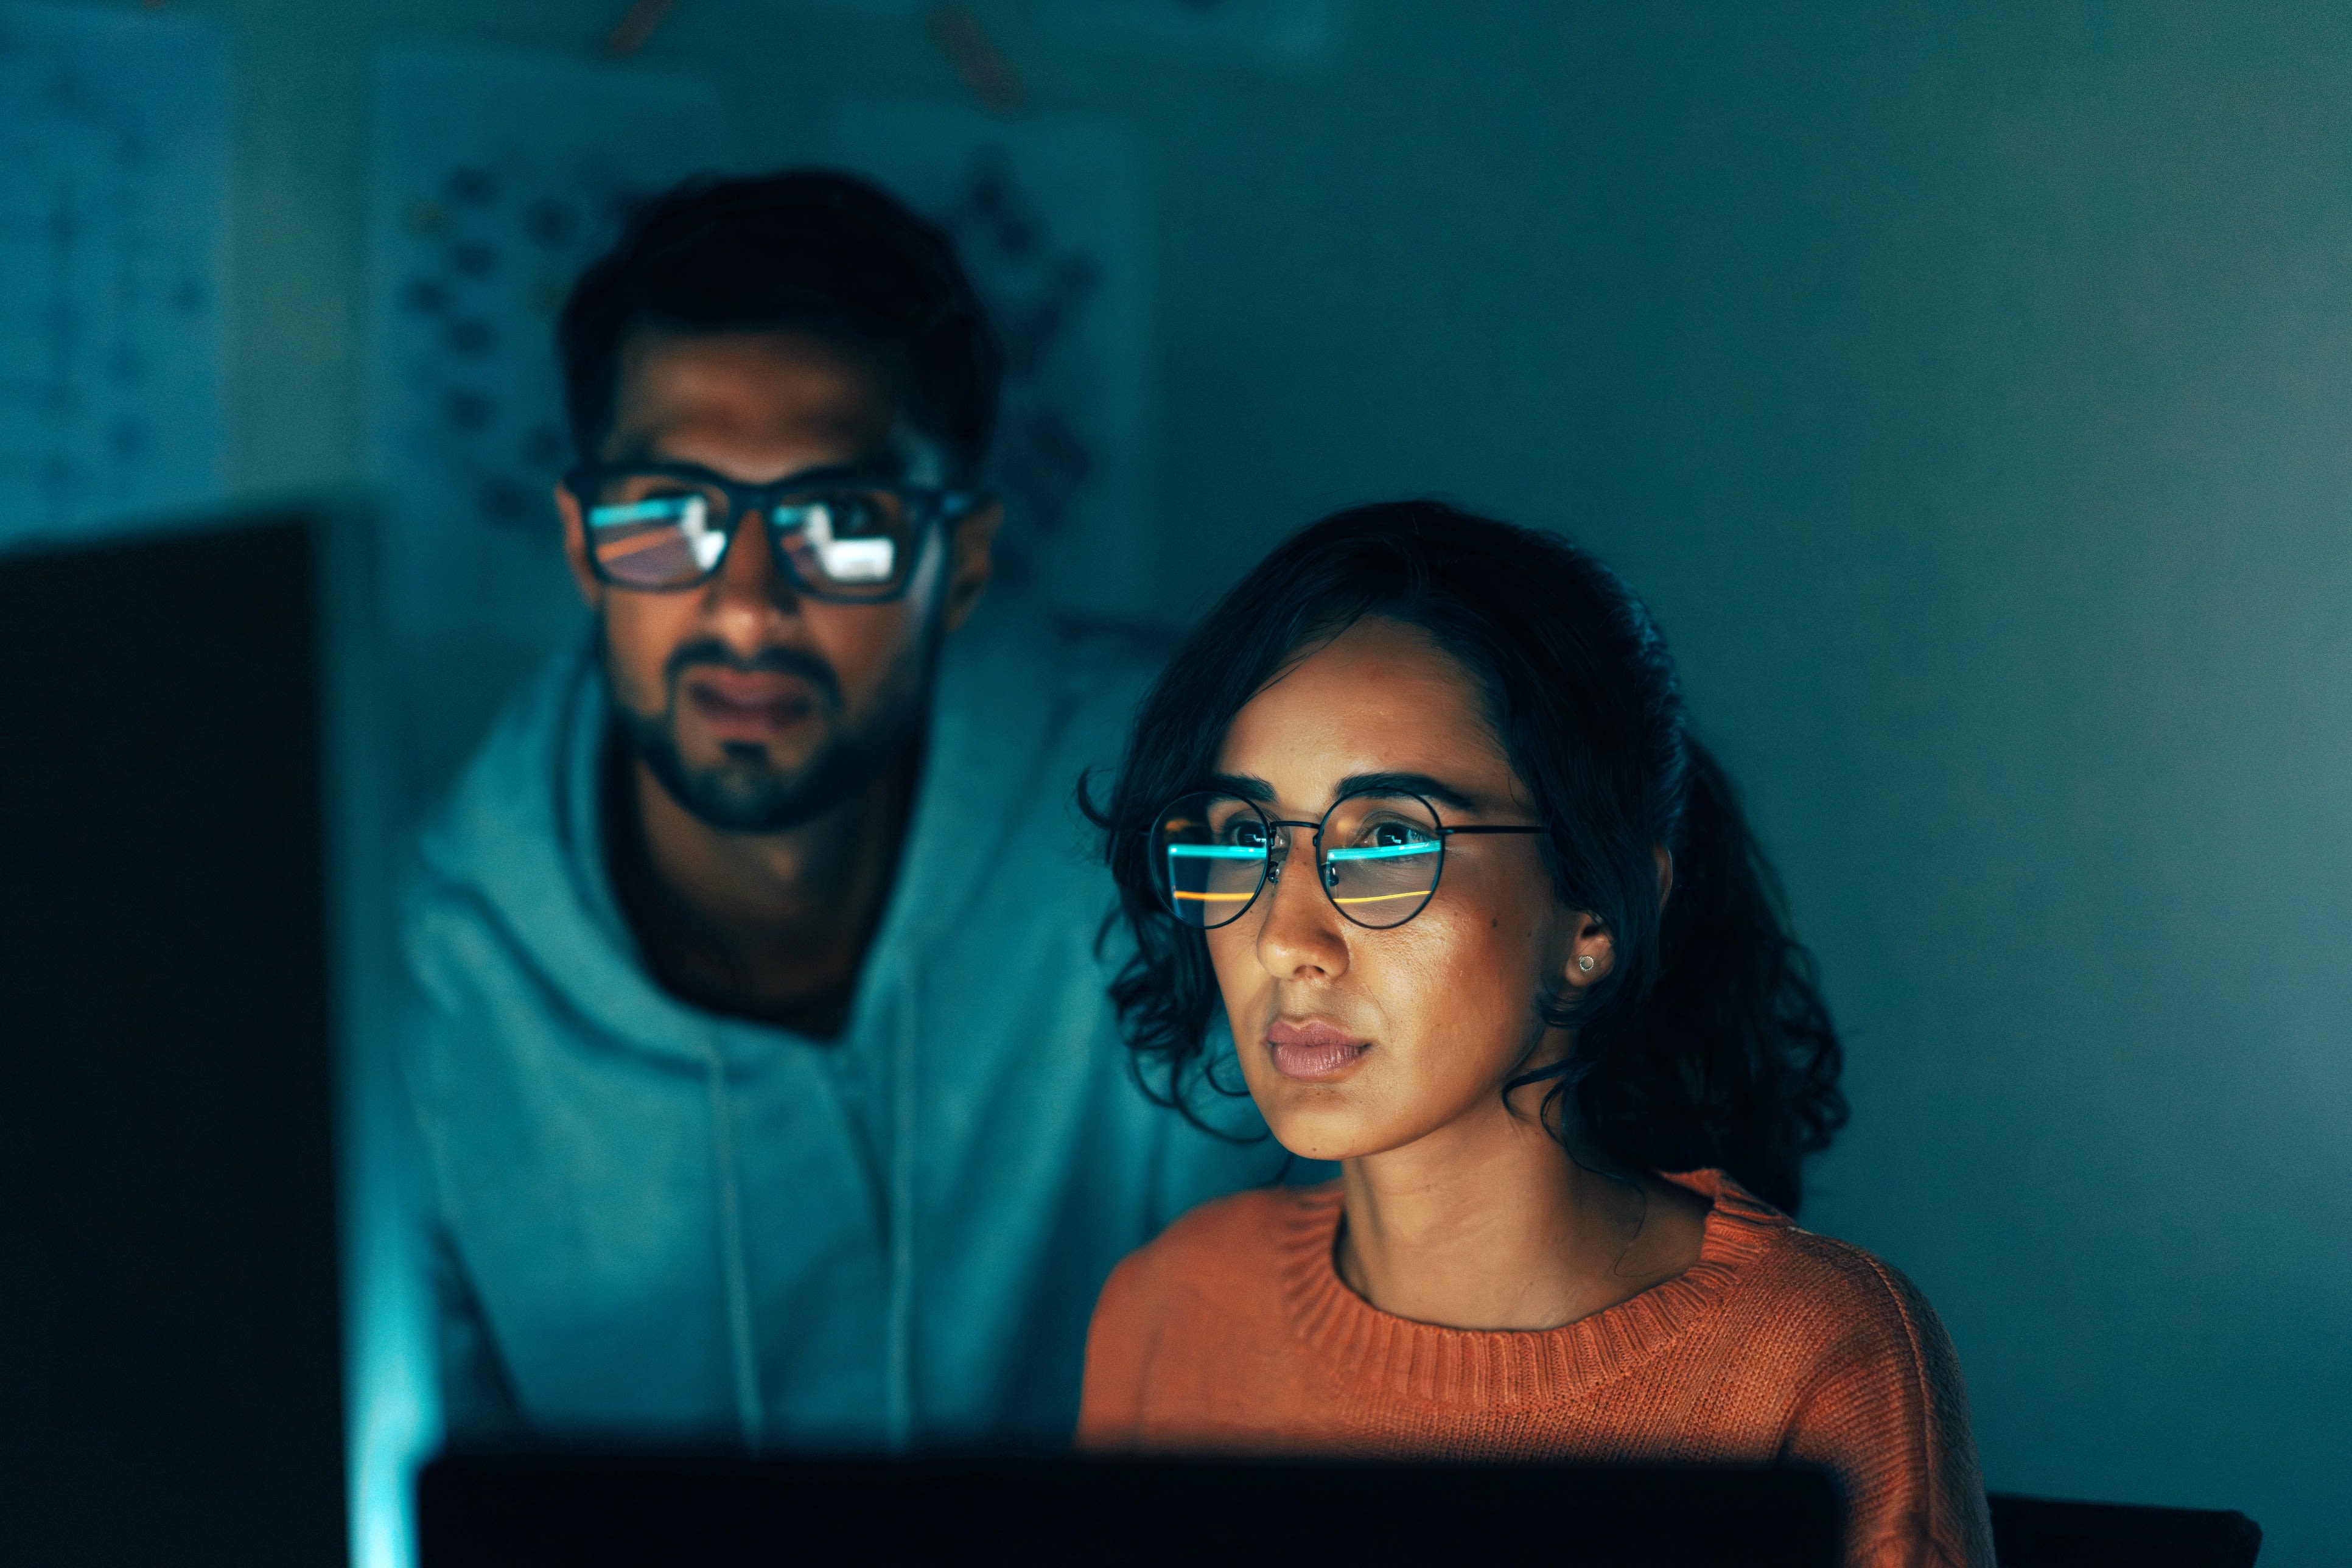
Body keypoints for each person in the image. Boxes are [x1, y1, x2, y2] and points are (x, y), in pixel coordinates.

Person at [396, 170, 1290, 1451]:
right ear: (589, 549)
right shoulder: (425, 994)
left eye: (841, 526)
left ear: (960, 563)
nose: (748, 606)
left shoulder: (1194, 831)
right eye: (667, 521)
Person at [1077, 503, 1994, 1568]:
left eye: (1389, 840)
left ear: (1594, 912)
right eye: (1245, 837)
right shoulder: (1172, 1307)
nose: (1285, 940)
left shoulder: (1816, 1358)